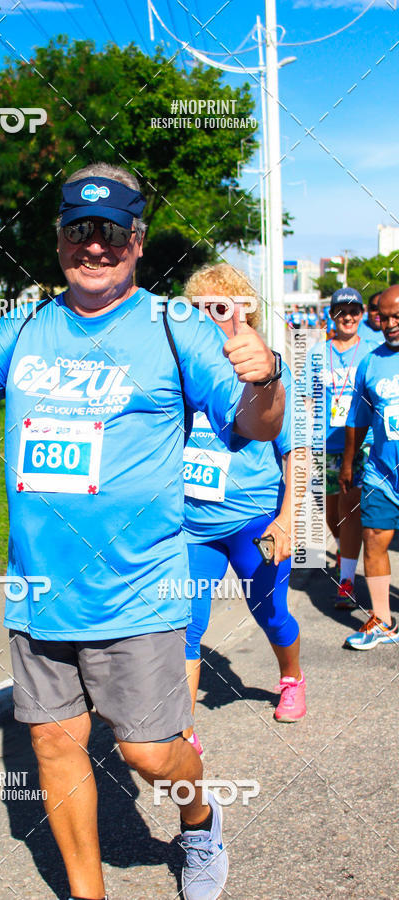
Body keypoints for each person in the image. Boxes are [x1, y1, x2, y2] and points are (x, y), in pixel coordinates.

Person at [0, 163, 285, 900]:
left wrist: (264, 379)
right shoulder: (26, 326)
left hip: (139, 588)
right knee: (52, 740)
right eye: (81, 230)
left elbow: (250, 425)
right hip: (42, 587)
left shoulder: (174, 327)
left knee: (147, 751)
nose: (95, 246)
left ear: (136, 242)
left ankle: (199, 821)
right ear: (60, 241)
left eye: (111, 232)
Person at [182, 264, 306, 735]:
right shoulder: (181, 370)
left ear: (246, 314)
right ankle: (182, 735)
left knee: (270, 613)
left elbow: (295, 452)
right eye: (195, 309)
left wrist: (288, 520)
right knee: (185, 628)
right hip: (191, 527)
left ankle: (291, 677)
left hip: (254, 521)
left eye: (218, 308)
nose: (205, 317)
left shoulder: (271, 372)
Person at [301, 287, 372, 608]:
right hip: (325, 443)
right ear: (332, 315)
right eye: (341, 311)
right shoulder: (318, 353)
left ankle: (346, 579)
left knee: (349, 508)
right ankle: (347, 556)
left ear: (362, 314)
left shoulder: (372, 349)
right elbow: (305, 398)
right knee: (331, 514)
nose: (348, 317)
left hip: (360, 444)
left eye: (354, 311)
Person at [340, 285, 399, 648]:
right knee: (373, 539)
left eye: (398, 317)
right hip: (381, 471)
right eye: (385, 317)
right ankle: (382, 620)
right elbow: (357, 419)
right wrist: (348, 464)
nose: (390, 324)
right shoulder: (371, 362)